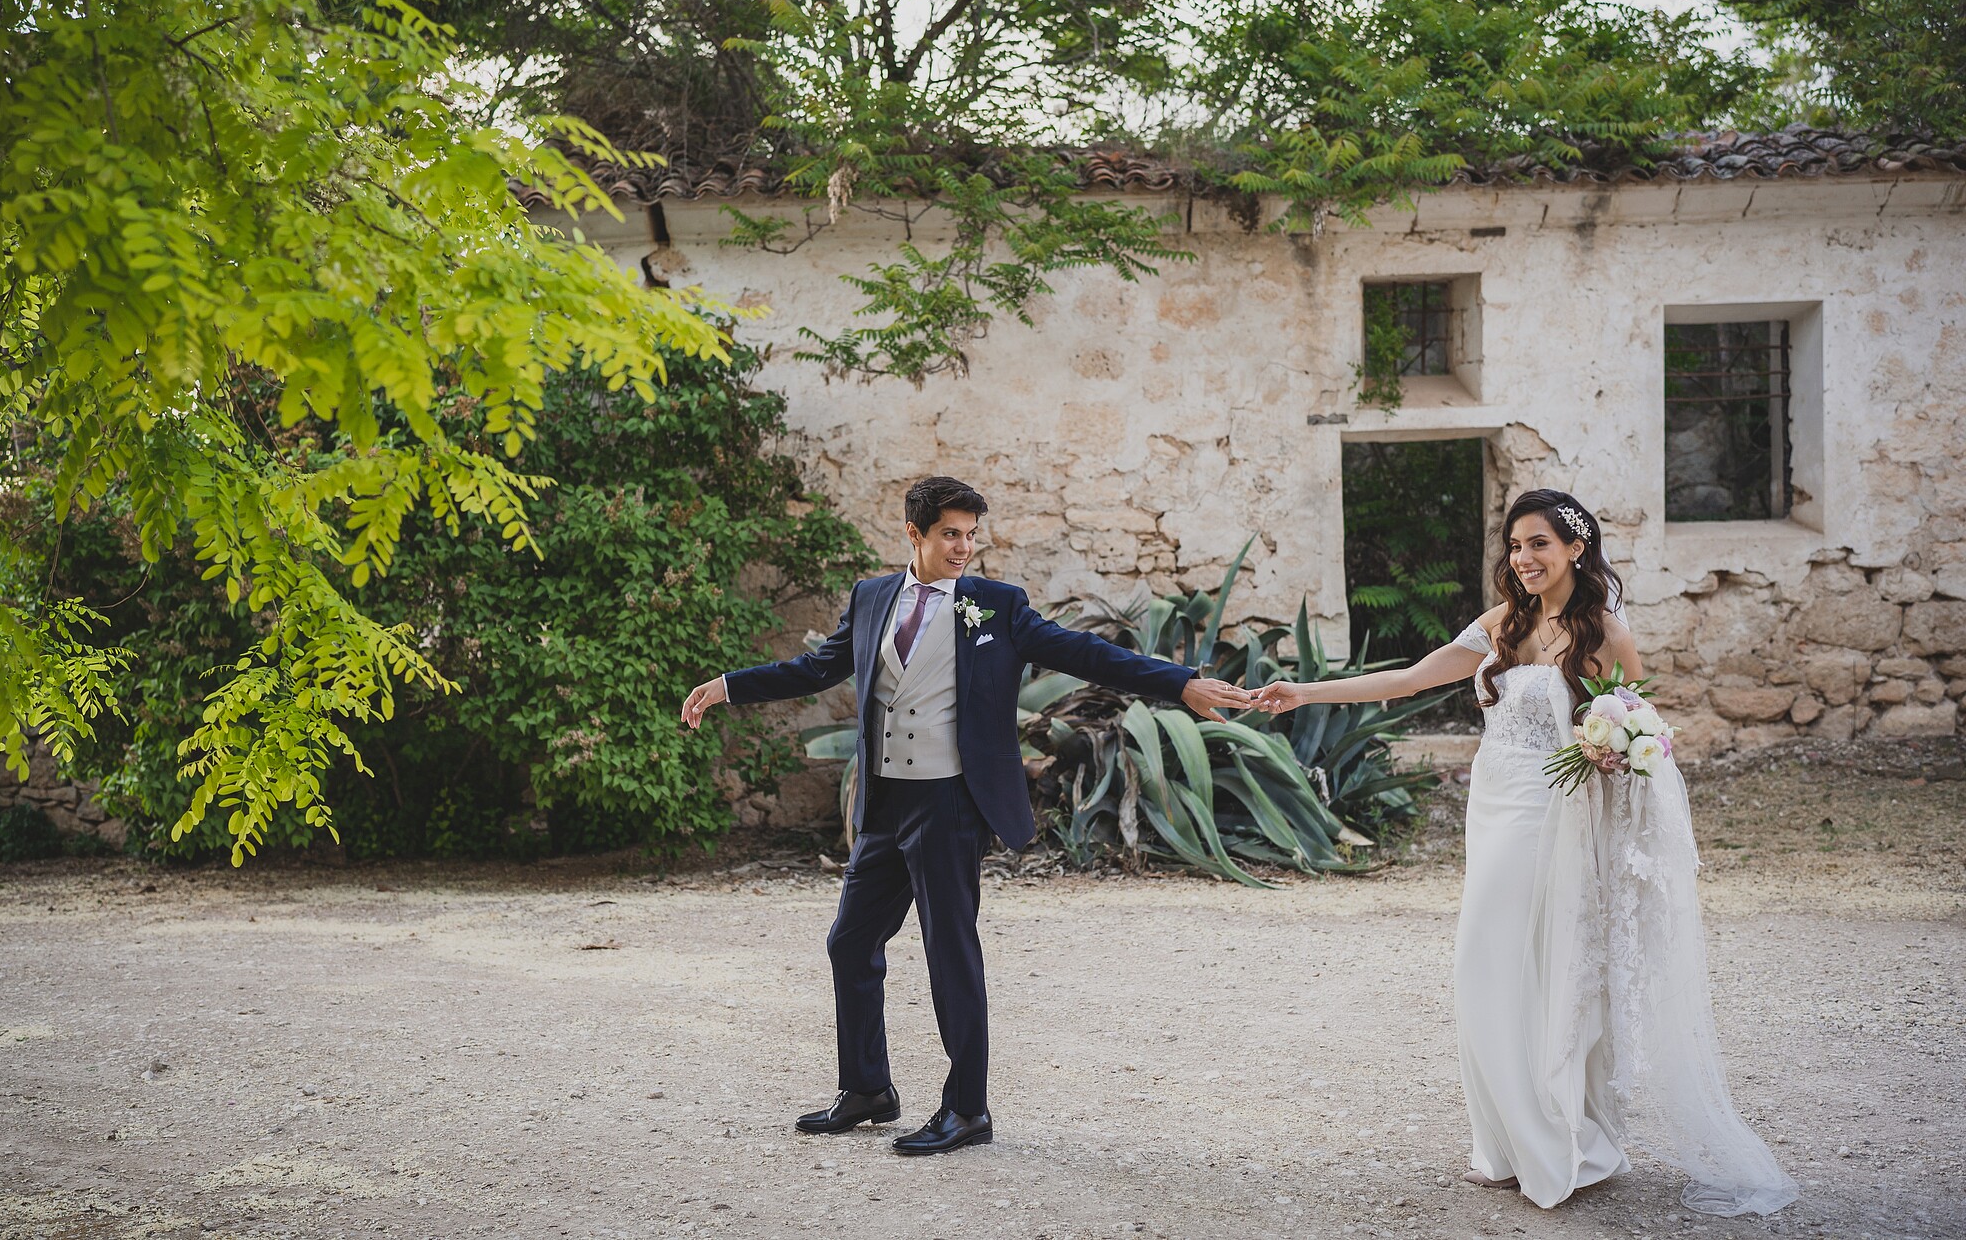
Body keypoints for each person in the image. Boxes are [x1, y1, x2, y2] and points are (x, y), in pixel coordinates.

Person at [1248, 488, 1797, 1216]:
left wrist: (1609, 752)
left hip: (1552, 815)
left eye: (1538, 543)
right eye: (1514, 546)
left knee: (1534, 966)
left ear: (1575, 548)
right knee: (1487, 966)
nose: (1523, 558)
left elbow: (1640, 738)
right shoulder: (1502, 624)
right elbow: (1413, 677)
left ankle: (1556, 1141)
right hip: (1494, 805)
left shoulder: (1603, 631)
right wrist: (1305, 693)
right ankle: (1506, 1142)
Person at [681, 475, 1250, 1156]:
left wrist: (1178, 683)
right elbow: (818, 669)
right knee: (848, 941)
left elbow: (1084, 652)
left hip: (950, 802)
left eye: (972, 534)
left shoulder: (998, 606)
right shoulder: (870, 598)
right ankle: (867, 1089)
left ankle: (968, 1109)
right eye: (950, 533)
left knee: (951, 954)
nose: (964, 547)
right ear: (914, 534)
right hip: (887, 803)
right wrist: (728, 686)